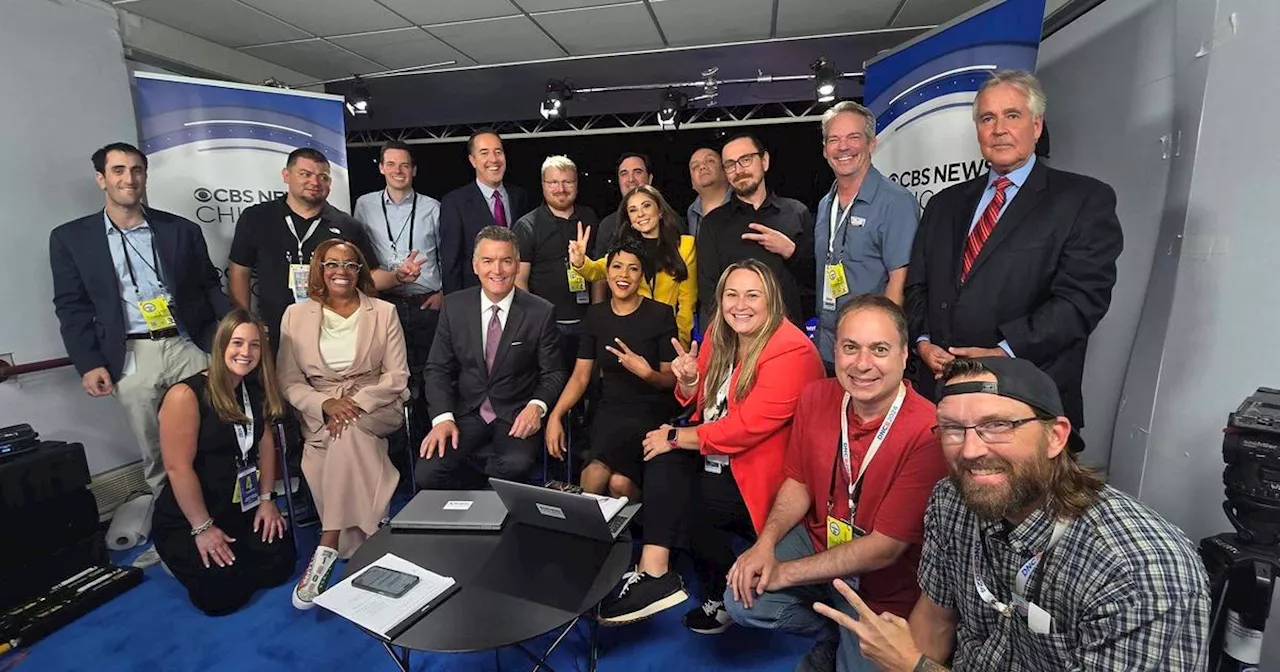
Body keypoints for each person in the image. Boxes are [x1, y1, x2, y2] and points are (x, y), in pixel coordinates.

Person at [814, 357, 1210, 671]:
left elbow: (915, 661)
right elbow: (935, 622)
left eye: (998, 425)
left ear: (1056, 437)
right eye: (952, 428)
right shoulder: (952, 502)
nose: (970, 451)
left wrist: (913, 667)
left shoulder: (1137, 571)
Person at [597, 260, 825, 632]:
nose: (740, 304)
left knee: (680, 486)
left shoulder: (792, 352)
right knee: (641, 453)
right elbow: (701, 400)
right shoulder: (723, 330)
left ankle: (700, 584)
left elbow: (745, 428)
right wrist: (687, 380)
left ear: (772, 301)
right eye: (731, 295)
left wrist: (675, 436)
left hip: (765, 471)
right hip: (719, 453)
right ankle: (656, 571)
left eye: (753, 295)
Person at [724, 295, 947, 670]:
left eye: (879, 349)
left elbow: (884, 549)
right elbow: (798, 481)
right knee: (742, 596)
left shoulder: (928, 431)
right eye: (850, 348)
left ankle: (844, 639)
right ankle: (832, 631)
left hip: (885, 580)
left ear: (905, 355)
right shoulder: (816, 396)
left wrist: (786, 573)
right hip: (821, 535)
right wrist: (765, 544)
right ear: (834, 350)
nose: (862, 364)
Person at [905, 70, 1124, 435]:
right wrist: (923, 341)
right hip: (941, 398)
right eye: (987, 118)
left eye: (1012, 115)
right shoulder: (944, 204)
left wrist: (1004, 353)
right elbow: (918, 286)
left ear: (1037, 126)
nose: (998, 129)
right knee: (938, 493)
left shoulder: (1083, 200)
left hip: (1027, 402)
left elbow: (1081, 301)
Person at [50, 143, 229, 507]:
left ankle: (225, 508)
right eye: (118, 170)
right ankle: (174, 525)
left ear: (145, 176)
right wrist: (89, 362)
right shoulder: (71, 238)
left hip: (188, 345)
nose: (128, 179)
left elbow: (209, 284)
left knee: (216, 430)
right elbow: (72, 306)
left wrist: (229, 334)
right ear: (101, 179)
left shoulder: (180, 229)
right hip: (131, 352)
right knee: (155, 448)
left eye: (136, 170)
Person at [276, 239, 409, 610]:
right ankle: (374, 538)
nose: (341, 271)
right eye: (332, 264)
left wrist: (355, 403)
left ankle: (327, 542)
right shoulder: (295, 315)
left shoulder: (382, 312)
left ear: (359, 270)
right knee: (341, 442)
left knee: (347, 430)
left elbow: (397, 376)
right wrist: (324, 403)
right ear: (319, 269)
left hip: (375, 404)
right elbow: (288, 380)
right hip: (322, 412)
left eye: (350, 265)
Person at [151, 310, 296, 616]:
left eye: (254, 345)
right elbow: (178, 469)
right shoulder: (185, 395)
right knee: (223, 597)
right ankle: (179, 555)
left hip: (238, 507)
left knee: (280, 565)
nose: (246, 352)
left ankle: (236, 554)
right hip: (190, 517)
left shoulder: (253, 389)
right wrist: (202, 528)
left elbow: (265, 443)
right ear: (220, 346)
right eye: (237, 342)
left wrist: (267, 499)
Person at [417, 226, 567, 490]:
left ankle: (491, 508)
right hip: (467, 412)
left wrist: (536, 406)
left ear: (517, 265)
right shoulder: (454, 307)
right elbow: (437, 368)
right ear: (475, 266)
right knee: (428, 473)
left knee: (516, 465)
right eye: (488, 261)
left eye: (506, 261)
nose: (497, 270)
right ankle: (482, 499)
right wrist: (442, 418)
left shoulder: (540, 312)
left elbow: (553, 372)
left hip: (515, 412)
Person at [227, 147, 421, 348]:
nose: (315, 182)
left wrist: (397, 277)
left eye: (323, 177)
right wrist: (246, 321)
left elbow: (368, 276)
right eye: (305, 174)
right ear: (287, 175)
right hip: (274, 331)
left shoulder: (347, 225)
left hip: (331, 333)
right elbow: (240, 271)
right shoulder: (257, 218)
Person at [546, 238, 678, 498]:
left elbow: (672, 380)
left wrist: (647, 373)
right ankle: (595, 532)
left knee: (614, 480)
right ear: (607, 272)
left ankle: (603, 529)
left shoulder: (660, 314)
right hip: (609, 409)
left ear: (642, 275)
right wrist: (555, 416)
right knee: (606, 478)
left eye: (633, 268)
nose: (623, 275)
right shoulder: (596, 316)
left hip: (649, 410)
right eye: (617, 267)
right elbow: (580, 377)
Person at [814, 102, 919, 371]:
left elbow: (900, 280)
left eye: (853, 137)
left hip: (869, 355)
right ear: (825, 149)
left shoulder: (896, 202)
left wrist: (882, 343)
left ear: (872, 143)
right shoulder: (826, 204)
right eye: (834, 139)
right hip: (828, 346)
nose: (843, 147)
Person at [697, 133, 815, 329]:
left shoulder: (796, 212)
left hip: (788, 336)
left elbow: (814, 281)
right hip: (737, 341)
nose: (739, 170)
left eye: (745, 160)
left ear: (764, 161)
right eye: (730, 165)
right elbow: (709, 291)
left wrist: (790, 252)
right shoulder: (713, 223)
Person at [352, 140, 444, 379]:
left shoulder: (433, 207)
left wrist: (444, 293)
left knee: (432, 374)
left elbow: (447, 254)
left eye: (404, 165)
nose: (398, 171)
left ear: (413, 170)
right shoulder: (364, 205)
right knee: (390, 375)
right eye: (391, 164)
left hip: (426, 305)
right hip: (384, 303)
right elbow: (359, 253)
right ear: (381, 168)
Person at [568, 184, 698, 347]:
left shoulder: (686, 246)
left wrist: (679, 343)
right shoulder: (626, 249)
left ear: (660, 211)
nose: (641, 214)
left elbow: (687, 303)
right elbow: (595, 271)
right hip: (633, 334)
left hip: (669, 336)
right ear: (628, 218)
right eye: (633, 210)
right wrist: (580, 261)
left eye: (646, 206)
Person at [513, 155, 600, 369]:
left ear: (576, 184)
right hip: (548, 325)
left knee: (588, 387)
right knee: (551, 385)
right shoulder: (527, 226)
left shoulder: (589, 217)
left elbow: (600, 272)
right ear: (543, 185)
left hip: (585, 322)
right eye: (553, 182)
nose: (561, 188)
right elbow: (519, 280)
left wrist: (598, 314)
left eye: (567, 182)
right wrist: (535, 322)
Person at [438, 129, 531, 293]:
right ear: (473, 160)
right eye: (484, 153)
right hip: (475, 301)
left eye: (498, 152)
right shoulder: (454, 203)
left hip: (517, 298)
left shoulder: (520, 197)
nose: (493, 159)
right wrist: (456, 308)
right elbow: (451, 264)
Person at [685, 146, 731, 241]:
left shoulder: (744, 201)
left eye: (710, 161)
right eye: (695, 166)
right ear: (692, 183)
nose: (702, 167)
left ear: (725, 170)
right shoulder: (692, 213)